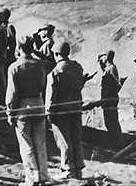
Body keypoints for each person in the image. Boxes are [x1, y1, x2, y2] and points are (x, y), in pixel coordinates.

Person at [6, 35, 50, 186]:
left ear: (18, 48)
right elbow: (44, 85)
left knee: (26, 144)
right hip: (39, 103)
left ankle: (32, 177)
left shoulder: (14, 67)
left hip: (23, 106)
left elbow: (12, 93)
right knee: (40, 143)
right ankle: (44, 175)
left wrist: (10, 112)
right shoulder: (40, 65)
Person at [45, 40, 85, 180]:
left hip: (61, 110)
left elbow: (51, 95)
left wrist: (49, 113)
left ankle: (67, 169)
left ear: (56, 54)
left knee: (64, 140)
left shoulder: (55, 71)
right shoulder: (77, 68)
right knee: (76, 138)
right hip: (76, 107)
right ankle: (78, 168)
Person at [98, 50, 123, 147]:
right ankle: (116, 145)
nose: (100, 61)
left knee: (112, 123)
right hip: (109, 100)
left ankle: (118, 145)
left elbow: (111, 87)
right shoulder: (109, 69)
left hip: (109, 100)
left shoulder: (110, 69)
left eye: (101, 59)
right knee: (110, 123)